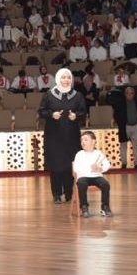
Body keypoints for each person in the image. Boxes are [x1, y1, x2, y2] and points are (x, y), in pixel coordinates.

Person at [39, 68, 88, 203]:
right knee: (55, 166)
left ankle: (68, 193)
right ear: (58, 79)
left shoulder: (77, 96)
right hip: (53, 137)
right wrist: (51, 114)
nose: (66, 80)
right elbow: (41, 111)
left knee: (69, 166)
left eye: (68, 78)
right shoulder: (49, 95)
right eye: (63, 77)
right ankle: (56, 194)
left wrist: (76, 116)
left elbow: (83, 112)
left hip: (71, 137)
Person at [72, 130, 112, 218]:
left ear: (93, 141)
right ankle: (84, 206)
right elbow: (75, 168)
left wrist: (100, 169)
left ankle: (105, 207)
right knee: (81, 184)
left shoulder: (98, 153)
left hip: (96, 176)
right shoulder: (79, 154)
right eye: (82, 140)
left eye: (86, 140)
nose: (83, 142)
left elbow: (108, 165)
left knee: (105, 184)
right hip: (83, 177)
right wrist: (88, 169)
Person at [113, 86, 137, 169]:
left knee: (136, 146)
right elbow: (116, 115)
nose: (129, 94)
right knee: (123, 145)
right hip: (125, 127)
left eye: (131, 93)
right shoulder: (120, 103)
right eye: (127, 93)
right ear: (125, 94)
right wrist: (121, 123)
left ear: (134, 94)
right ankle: (124, 164)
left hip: (135, 126)